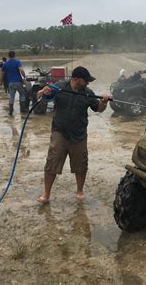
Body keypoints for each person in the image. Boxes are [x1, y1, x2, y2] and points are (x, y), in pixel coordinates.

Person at [36, 66, 109, 203]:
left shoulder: (88, 92)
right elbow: (41, 96)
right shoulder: (59, 87)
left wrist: (104, 102)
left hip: (79, 134)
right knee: (52, 162)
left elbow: (98, 109)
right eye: (85, 80)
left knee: (81, 164)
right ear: (75, 79)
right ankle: (46, 194)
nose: (88, 83)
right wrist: (42, 91)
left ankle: (80, 190)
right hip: (60, 132)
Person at [0, 50, 27, 116]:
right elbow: (21, 70)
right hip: (18, 82)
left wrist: (0, 82)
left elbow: (2, 74)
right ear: (14, 55)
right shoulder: (17, 62)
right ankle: (22, 109)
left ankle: (11, 109)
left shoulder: (5, 64)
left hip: (10, 83)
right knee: (22, 94)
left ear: (8, 56)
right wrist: (25, 77)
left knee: (11, 96)